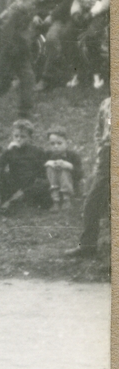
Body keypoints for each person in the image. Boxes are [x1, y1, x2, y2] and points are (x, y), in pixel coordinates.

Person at [65, 97, 110, 259]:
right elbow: (99, 130)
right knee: (92, 201)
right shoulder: (106, 103)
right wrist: (101, 148)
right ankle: (88, 246)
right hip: (107, 156)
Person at [30, 0, 77, 89]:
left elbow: (68, 0)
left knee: (51, 38)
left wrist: (53, 16)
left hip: (61, 17)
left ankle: (46, 78)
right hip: (41, 16)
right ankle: (24, 75)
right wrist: (34, 15)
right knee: (22, 35)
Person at [0, 119, 51, 214]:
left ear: (30, 138)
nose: (18, 139)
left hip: (29, 183)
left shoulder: (37, 152)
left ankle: (14, 201)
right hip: (14, 181)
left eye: (23, 137)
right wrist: (7, 151)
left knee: (43, 183)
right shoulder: (11, 150)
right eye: (16, 136)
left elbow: (42, 173)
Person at [68, 0, 109, 89]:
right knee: (68, 33)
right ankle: (78, 72)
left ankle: (97, 74)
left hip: (101, 12)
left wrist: (92, 13)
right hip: (84, 12)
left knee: (92, 36)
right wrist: (76, 12)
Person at [42, 126, 83, 210]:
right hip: (52, 185)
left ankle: (66, 200)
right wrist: (48, 163)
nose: (56, 146)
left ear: (67, 143)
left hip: (71, 185)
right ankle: (55, 201)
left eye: (59, 143)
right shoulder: (47, 155)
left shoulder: (73, 156)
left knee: (63, 169)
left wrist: (69, 166)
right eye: (52, 144)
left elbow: (80, 174)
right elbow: (40, 171)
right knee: (50, 167)